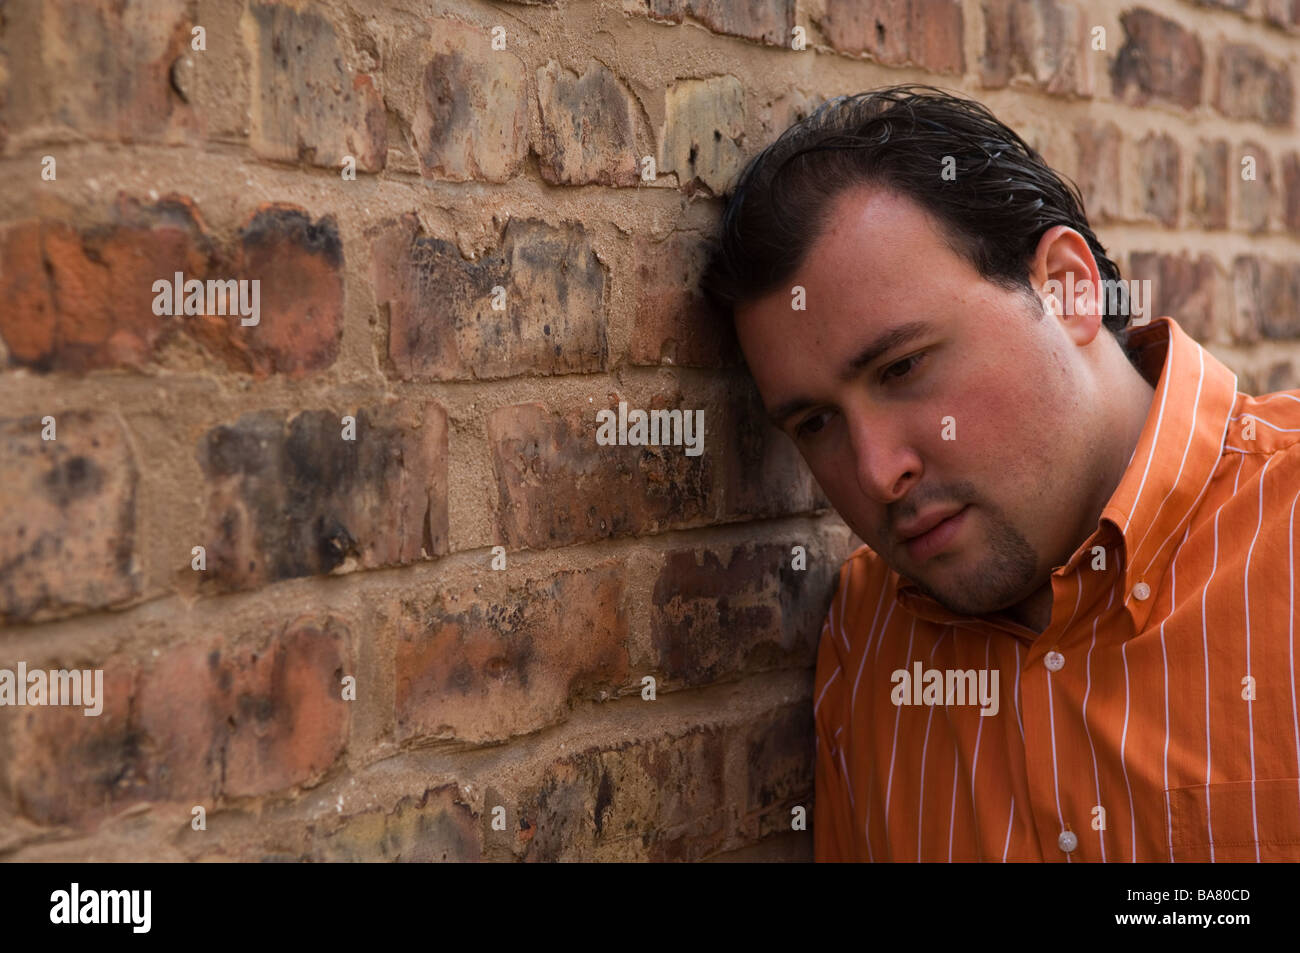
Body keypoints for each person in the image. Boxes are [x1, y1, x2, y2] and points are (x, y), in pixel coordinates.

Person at [701, 85, 1300, 862]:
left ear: (1067, 287)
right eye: (816, 424)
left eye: (903, 366)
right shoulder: (868, 633)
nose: (879, 472)